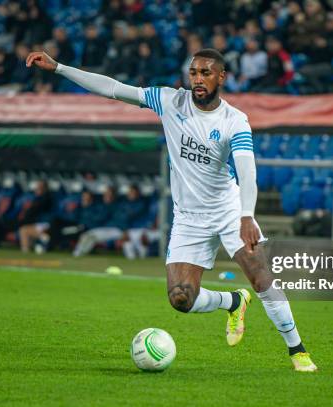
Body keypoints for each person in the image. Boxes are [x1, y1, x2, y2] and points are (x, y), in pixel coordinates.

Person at [26, 47, 317, 372]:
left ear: (222, 77)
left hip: (229, 211)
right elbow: (112, 88)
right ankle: (232, 301)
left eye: (206, 73)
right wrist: (59, 68)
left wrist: (247, 215)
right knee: (181, 298)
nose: (198, 79)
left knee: (261, 277)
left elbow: (247, 171)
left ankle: (298, 350)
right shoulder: (169, 100)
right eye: (193, 72)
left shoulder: (234, 120)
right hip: (189, 218)